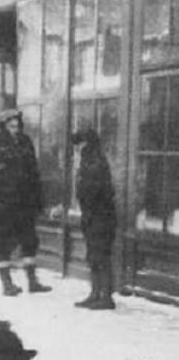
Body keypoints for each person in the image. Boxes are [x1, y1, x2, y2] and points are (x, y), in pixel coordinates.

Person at [0, 109, 51, 296]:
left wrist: (38, 200)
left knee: (30, 240)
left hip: (26, 203)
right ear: (4, 126)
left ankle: (32, 281)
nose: (16, 129)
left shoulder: (26, 143)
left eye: (18, 125)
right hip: (5, 204)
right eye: (11, 126)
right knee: (3, 242)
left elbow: (34, 173)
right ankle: (7, 283)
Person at [72, 128, 116, 310]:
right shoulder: (90, 160)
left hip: (100, 217)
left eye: (79, 144)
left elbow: (94, 190)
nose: (77, 148)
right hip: (93, 216)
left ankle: (105, 297)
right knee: (94, 256)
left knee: (100, 256)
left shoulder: (94, 161)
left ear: (86, 144)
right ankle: (95, 293)